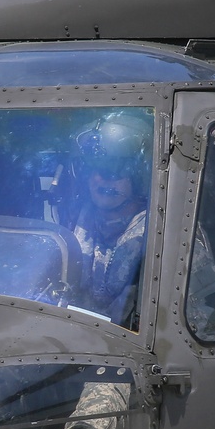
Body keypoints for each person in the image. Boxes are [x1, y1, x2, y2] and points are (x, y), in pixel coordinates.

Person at [70, 112, 153, 327]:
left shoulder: (161, 235)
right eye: (94, 169)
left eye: (115, 170)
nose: (102, 179)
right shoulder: (72, 223)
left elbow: (214, 329)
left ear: (140, 175)